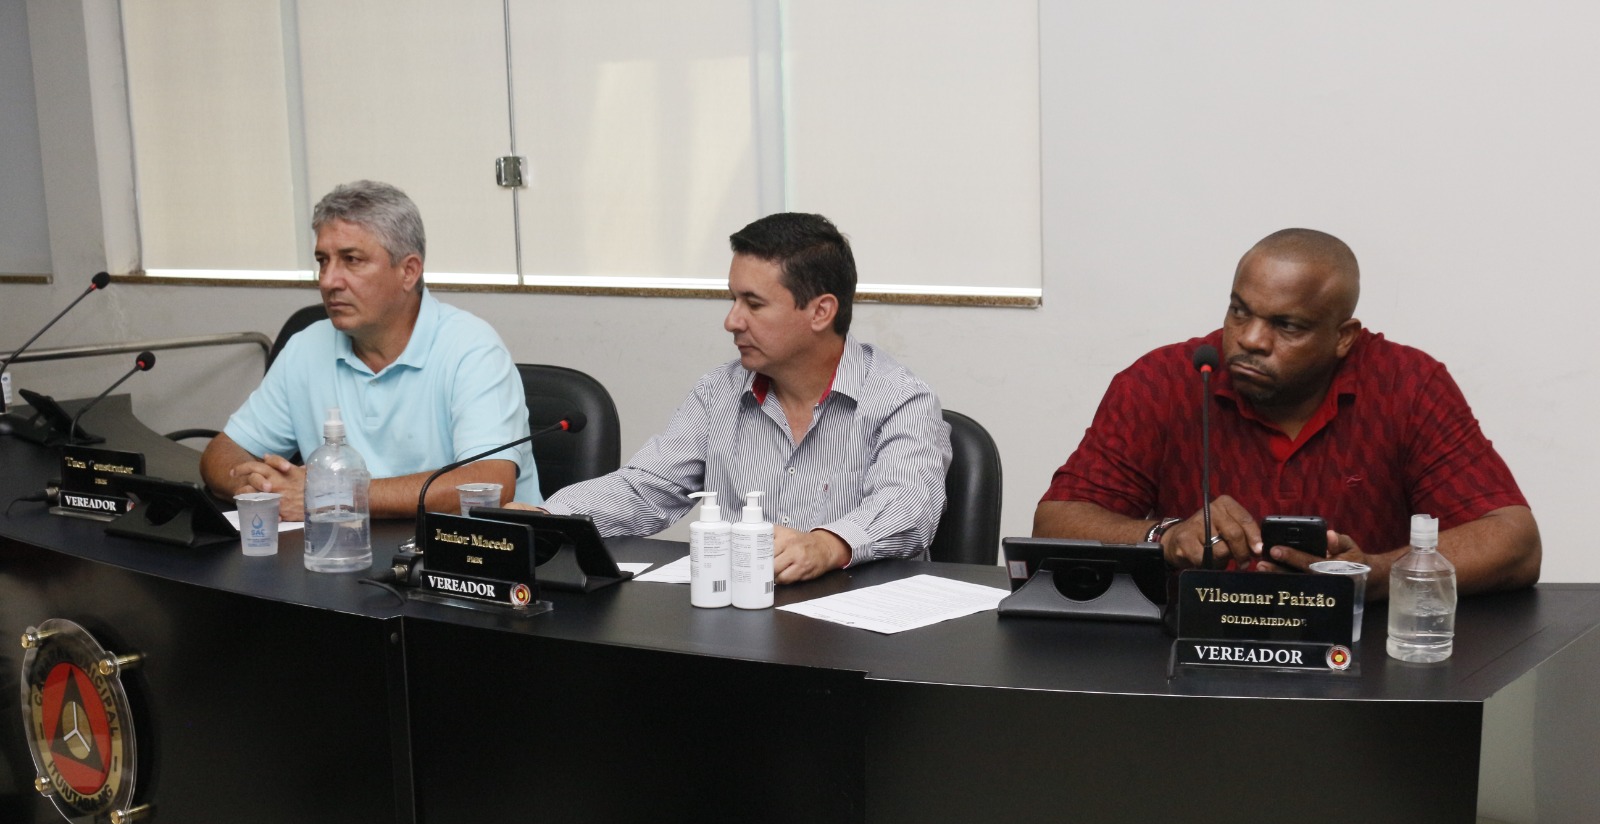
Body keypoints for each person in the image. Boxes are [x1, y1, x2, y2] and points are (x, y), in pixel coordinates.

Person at [1033, 228, 1540, 597]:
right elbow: (1055, 521)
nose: (1250, 339)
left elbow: (1514, 542)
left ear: (1344, 337)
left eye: (1287, 326)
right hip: (1191, 656)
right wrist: (1163, 536)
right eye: (1239, 311)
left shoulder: (1406, 385)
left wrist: (1374, 574)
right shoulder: (1167, 381)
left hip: (1359, 663)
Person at [531, 212, 951, 585]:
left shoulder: (900, 398)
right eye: (733, 299)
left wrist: (827, 545)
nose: (732, 321)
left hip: (856, 621)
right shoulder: (719, 391)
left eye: (753, 304)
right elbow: (647, 488)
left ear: (821, 312)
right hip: (738, 614)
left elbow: (911, 504)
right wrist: (547, 519)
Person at [200, 180, 539, 520]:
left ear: (408, 271)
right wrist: (259, 486)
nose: (328, 281)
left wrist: (331, 496)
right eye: (323, 261)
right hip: (341, 546)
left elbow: (488, 484)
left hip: (461, 549)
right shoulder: (306, 347)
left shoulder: (472, 349)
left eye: (352, 260)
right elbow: (222, 453)